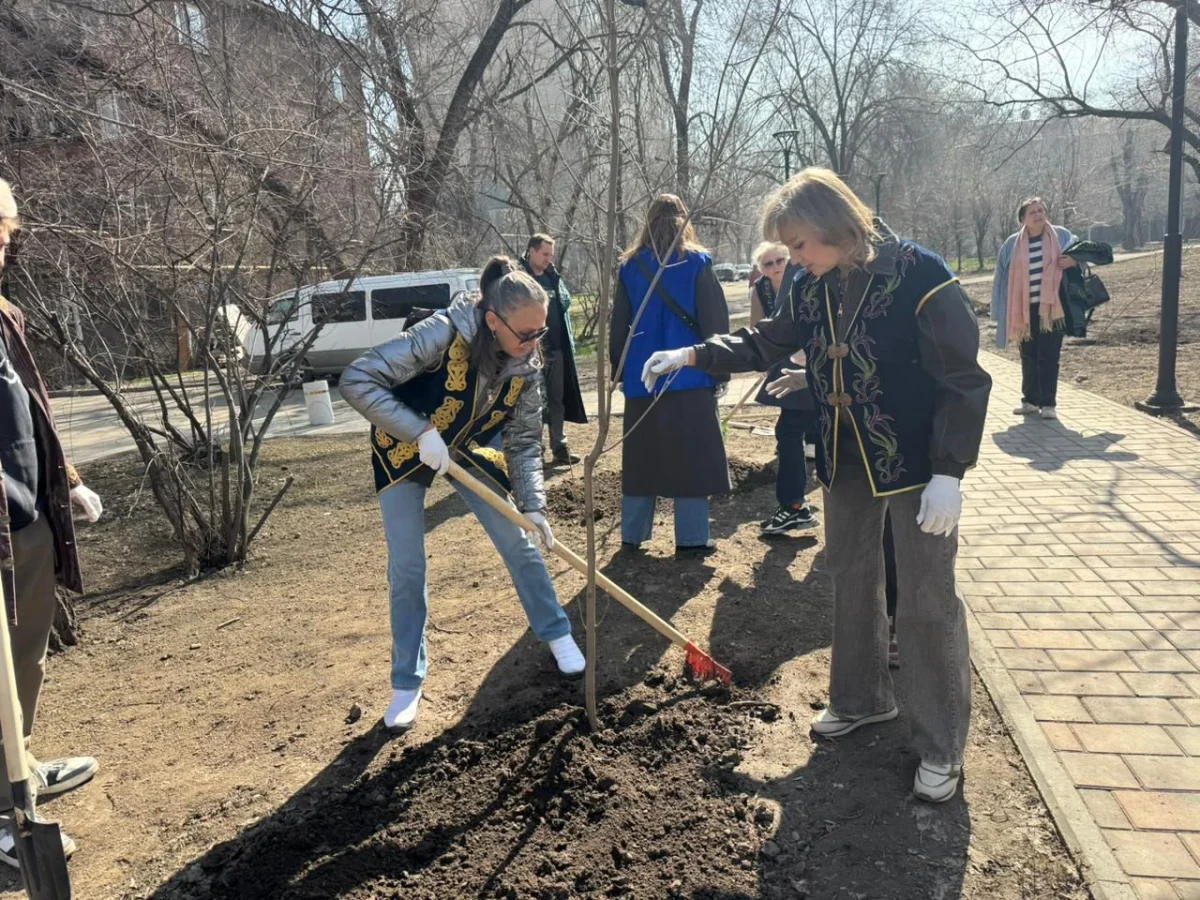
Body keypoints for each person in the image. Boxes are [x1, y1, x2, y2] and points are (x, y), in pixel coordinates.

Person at [641, 169, 992, 803]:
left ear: (836, 227)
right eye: (791, 249)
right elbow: (769, 339)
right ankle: (862, 699)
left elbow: (963, 379)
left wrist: (950, 471)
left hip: (916, 463)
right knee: (851, 576)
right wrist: (694, 355)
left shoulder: (919, 273)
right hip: (844, 455)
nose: (794, 260)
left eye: (800, 244)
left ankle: (941, 744)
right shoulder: (810, 282)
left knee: (925, 596)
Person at [340, 255, 585, 733]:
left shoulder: (526, 366)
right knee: (408, 566)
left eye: (542, 333)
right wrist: (418, 432)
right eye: (525, 334)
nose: (534, 345)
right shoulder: (443, 333)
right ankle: (406, 682)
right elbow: (357, 379)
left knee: (519, 537)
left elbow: (524, 442)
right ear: (492, 322)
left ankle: (557, 633)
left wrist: (534, 506)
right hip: (403, 444)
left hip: (466, 446)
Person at [0, 177, 103, 866]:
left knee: (24, 659)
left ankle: (21, 767)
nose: (5, 248)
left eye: (6, 235)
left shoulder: (2, 314)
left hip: (26, 519)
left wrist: (66, 481)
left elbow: (28, 410)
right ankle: (7, 819)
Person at [610, 194, 731, 558]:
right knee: (691, 458)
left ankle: (632, 537)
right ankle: (692, 539)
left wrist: (621, 370)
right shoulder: (697, 263)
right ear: (683, 220)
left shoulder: (630, 267)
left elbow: (620, 326)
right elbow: (715, 322)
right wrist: (719, 369)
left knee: (641, 459)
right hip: (690, 374)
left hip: (642, 379)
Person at [748, 241, 819, 535]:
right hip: (786, 363)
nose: (776, 267)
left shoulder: (806, 276)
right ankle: (795, 505)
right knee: (792, 429)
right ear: (761, 269)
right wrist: (760, 359)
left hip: (814, 363)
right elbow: (759, 332)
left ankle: (794, 506)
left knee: (792, 430)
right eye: (769, 264)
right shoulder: (761, 291)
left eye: (781, 260)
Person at [991, 197, 1076, 420]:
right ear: (1022, 220)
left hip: (1052, 309)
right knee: (1028, 355)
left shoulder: (1062, 235)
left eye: (1041, 210)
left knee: (1048, 356)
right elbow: (1001, 276)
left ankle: (1048, 404)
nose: (1038, 215)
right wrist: (997, 309)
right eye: (1032, 212)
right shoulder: (1011, 244)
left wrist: (1074, 261)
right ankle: (1030, 400)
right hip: (1024, 309)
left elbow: (1086, 255)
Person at [520, 234, 587, 465]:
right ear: (532, 251)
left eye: (551, 254)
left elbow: (564, 304)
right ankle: (534, 452)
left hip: (557, 349)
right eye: (545, 254)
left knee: (557, 399)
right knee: (534, 402)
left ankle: (559, 446)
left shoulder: (552, 277)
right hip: (530, 352)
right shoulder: (519, 278)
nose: (550, 259)